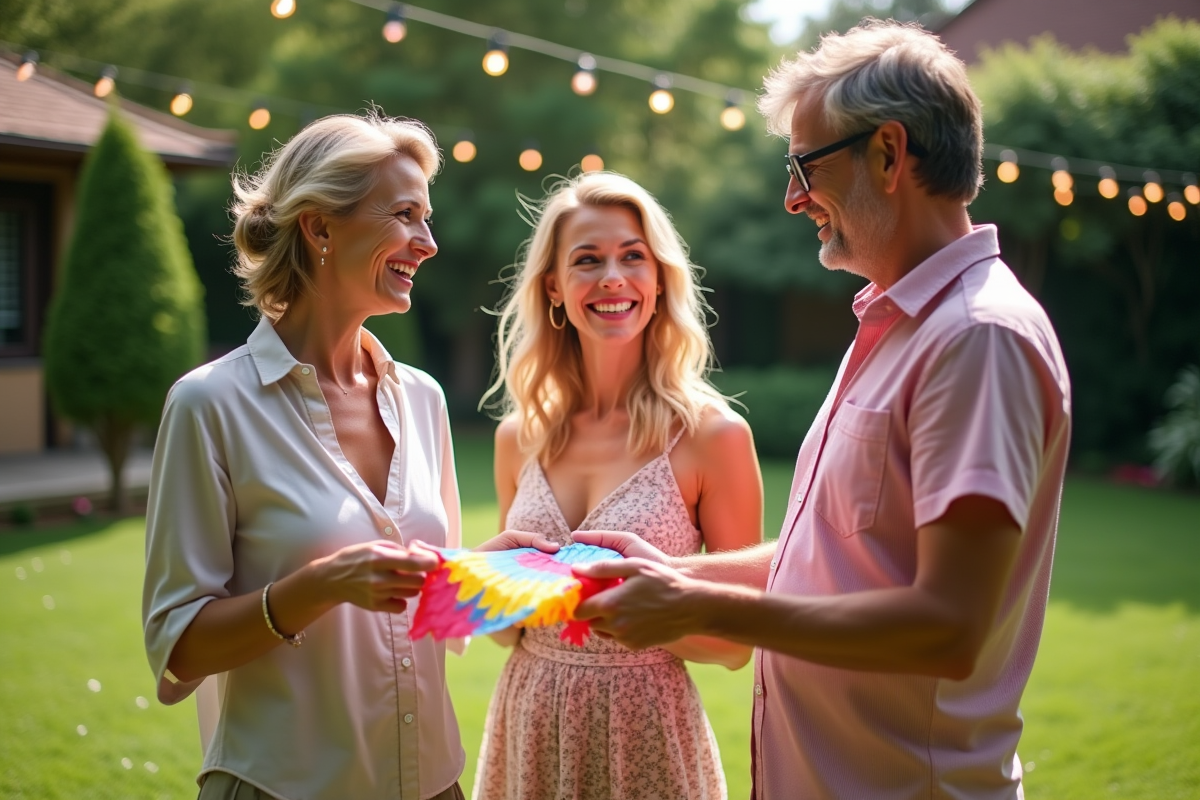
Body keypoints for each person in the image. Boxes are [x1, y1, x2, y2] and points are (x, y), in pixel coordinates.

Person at [573, 21, 1073, 800]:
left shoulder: (977, 338)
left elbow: (948, 625)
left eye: (804, 165)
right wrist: (668, 571)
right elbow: (833, 561)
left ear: (887, 154)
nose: (792, 197)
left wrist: (704, 609)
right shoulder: (896, 325)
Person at [142, 112, 527, 800]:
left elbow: (421, 605)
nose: (429, 242)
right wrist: (318, 587)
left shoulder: (423, 399)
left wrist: (505, 570)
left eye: (427, 217)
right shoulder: (210, 404)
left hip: (435, 785)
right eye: (407, 214)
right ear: (320, 227)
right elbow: (179, 645)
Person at [473, 171, 763, 800]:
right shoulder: (518, 436)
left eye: (633, 257)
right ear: (554, 287)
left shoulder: (712, 437)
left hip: (647, 736)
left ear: (659, 281)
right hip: (528, 730)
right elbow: (506, 631)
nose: (612, 277)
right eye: (587, 260)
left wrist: (646, 622)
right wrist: (490, 593)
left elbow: (736, 645)